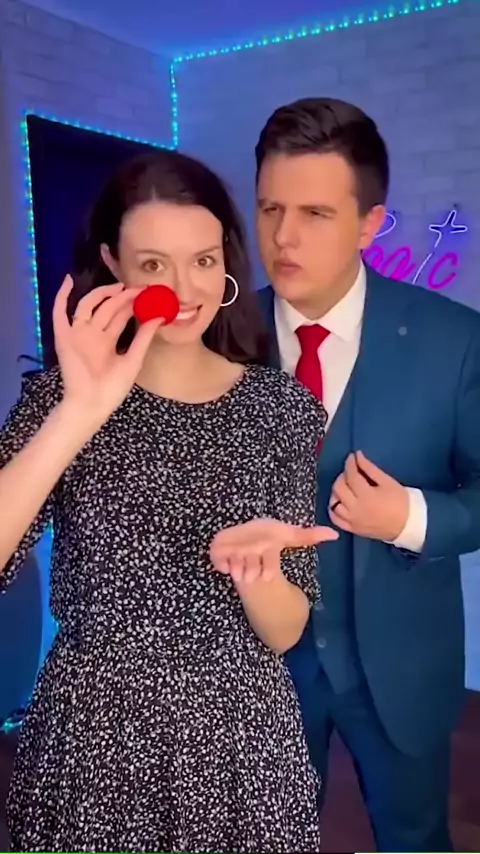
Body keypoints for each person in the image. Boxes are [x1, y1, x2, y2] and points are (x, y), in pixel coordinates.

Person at [0, 149, 338, 853]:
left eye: (203, 261)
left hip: (242, 735)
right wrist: (80, 412)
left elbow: (285, 631)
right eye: (153, 264)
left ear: (226, 263)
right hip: (95, 734)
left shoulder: (278, 407)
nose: (184, 289)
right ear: (113, 265)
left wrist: (258, 574)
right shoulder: (60, 401)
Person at [253, 96, 480, 853]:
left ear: (369, 224)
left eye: (315, 213)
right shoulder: (223, 338)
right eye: (270, 208)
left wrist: (411, 517)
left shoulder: (454, 340)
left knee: (414, 839)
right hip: (253, 669)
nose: (283, 237)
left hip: (400, 666)